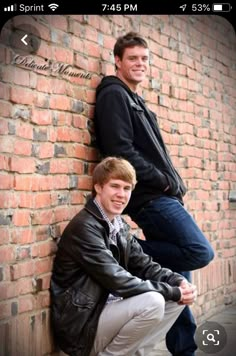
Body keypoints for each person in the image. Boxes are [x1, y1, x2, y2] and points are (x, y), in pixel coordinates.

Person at [94, 32, 215, 356]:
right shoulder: (114, 94)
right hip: (151, 198)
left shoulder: (136, 100)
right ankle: (128, 250)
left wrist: (172, 182)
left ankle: (183, 348)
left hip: (164, 195)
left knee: (179, 280)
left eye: (144, 59)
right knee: (199, 252)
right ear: (118, 61)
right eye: (132, 58)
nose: (140, 64)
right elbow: (119, 150)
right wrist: (163, 181)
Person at [50, 157, 197, 356]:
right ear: (99, 188)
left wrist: (178, 281)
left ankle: (136, 353)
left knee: (178, 298)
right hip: (82, 327)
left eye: (127, 188)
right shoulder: (85, 228)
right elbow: (119, 280)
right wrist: (172, 291)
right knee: (154, 301)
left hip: (106, 312)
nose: (121, 194)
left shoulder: (118, 226)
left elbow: (145, 265)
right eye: (115, 186)